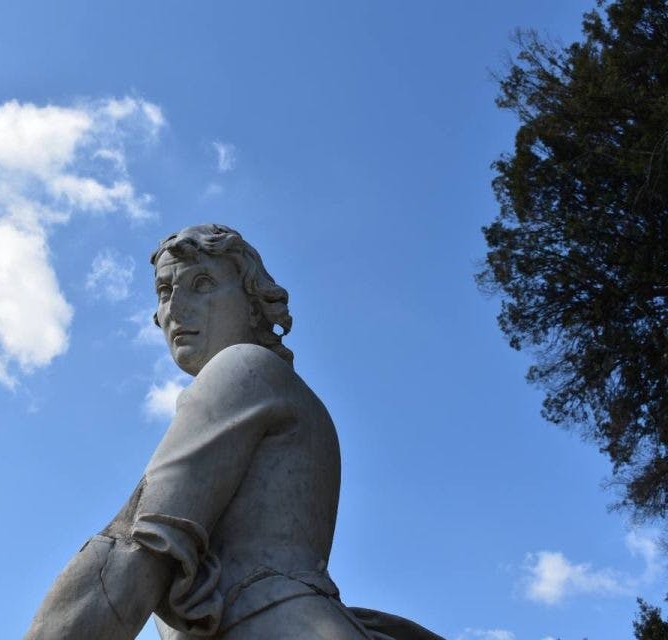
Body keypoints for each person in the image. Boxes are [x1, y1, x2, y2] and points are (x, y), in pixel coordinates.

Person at [26, 224, 441, 639]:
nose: (175, 308)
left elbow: (137, 547)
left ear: (254, 304)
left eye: (202, 283)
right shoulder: (282, 389)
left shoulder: (245, 367)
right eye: (165, 291)